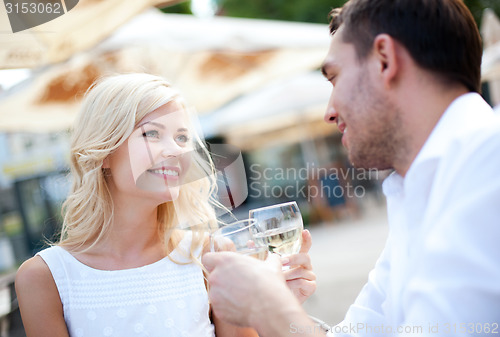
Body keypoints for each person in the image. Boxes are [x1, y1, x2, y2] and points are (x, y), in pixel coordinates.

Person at [203, 0, 500, 336]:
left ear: (385, 60)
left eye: (335, 77)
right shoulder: (417, 189)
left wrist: (265, 305)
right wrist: (282, 310)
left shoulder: (489, 161)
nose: (329, 112)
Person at [14, 73, 316, 337]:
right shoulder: (45, 278)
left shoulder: (211, 257)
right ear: (103, 153)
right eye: (152, 134)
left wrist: (277, 309)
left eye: (182, 137)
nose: (176, 150)